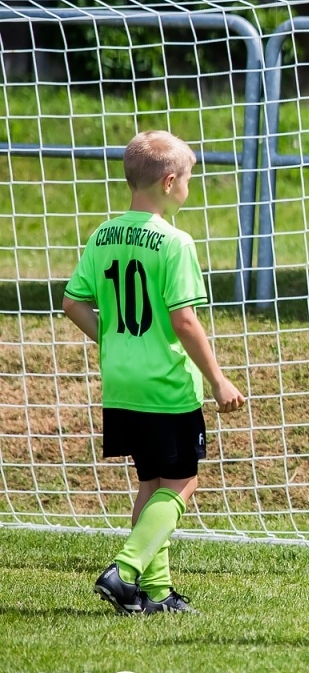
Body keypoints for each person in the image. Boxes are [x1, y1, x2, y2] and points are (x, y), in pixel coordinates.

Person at [63, 131, 246, 616]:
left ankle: (155, 592)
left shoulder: (103, 234)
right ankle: (124, 571)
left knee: (151, 484)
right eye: (189, 179)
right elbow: (184, 320)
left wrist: (109, 339)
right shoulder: (175, 242)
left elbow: (72, 302)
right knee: (183, 483)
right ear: (170, 182)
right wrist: (218, 380)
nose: (189, 187)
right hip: (165, 384)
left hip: (121, 381)